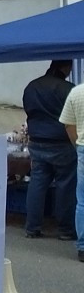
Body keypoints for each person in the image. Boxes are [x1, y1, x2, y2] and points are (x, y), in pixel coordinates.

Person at [23, 60, 76, 240]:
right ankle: (65, 230)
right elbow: (73, 117)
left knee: (37, 183)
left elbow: (28, 111)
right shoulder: (68, 89)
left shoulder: (32, 86)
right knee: (65, 186)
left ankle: (32, 227)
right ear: (66, 67)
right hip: (62, 142)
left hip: (37, 140)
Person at [59, 79, 84, 261]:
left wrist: (78, 146)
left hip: (83, 146)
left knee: (83, 200)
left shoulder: (76, 92)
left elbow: (68, 125)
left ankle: (83, 247)